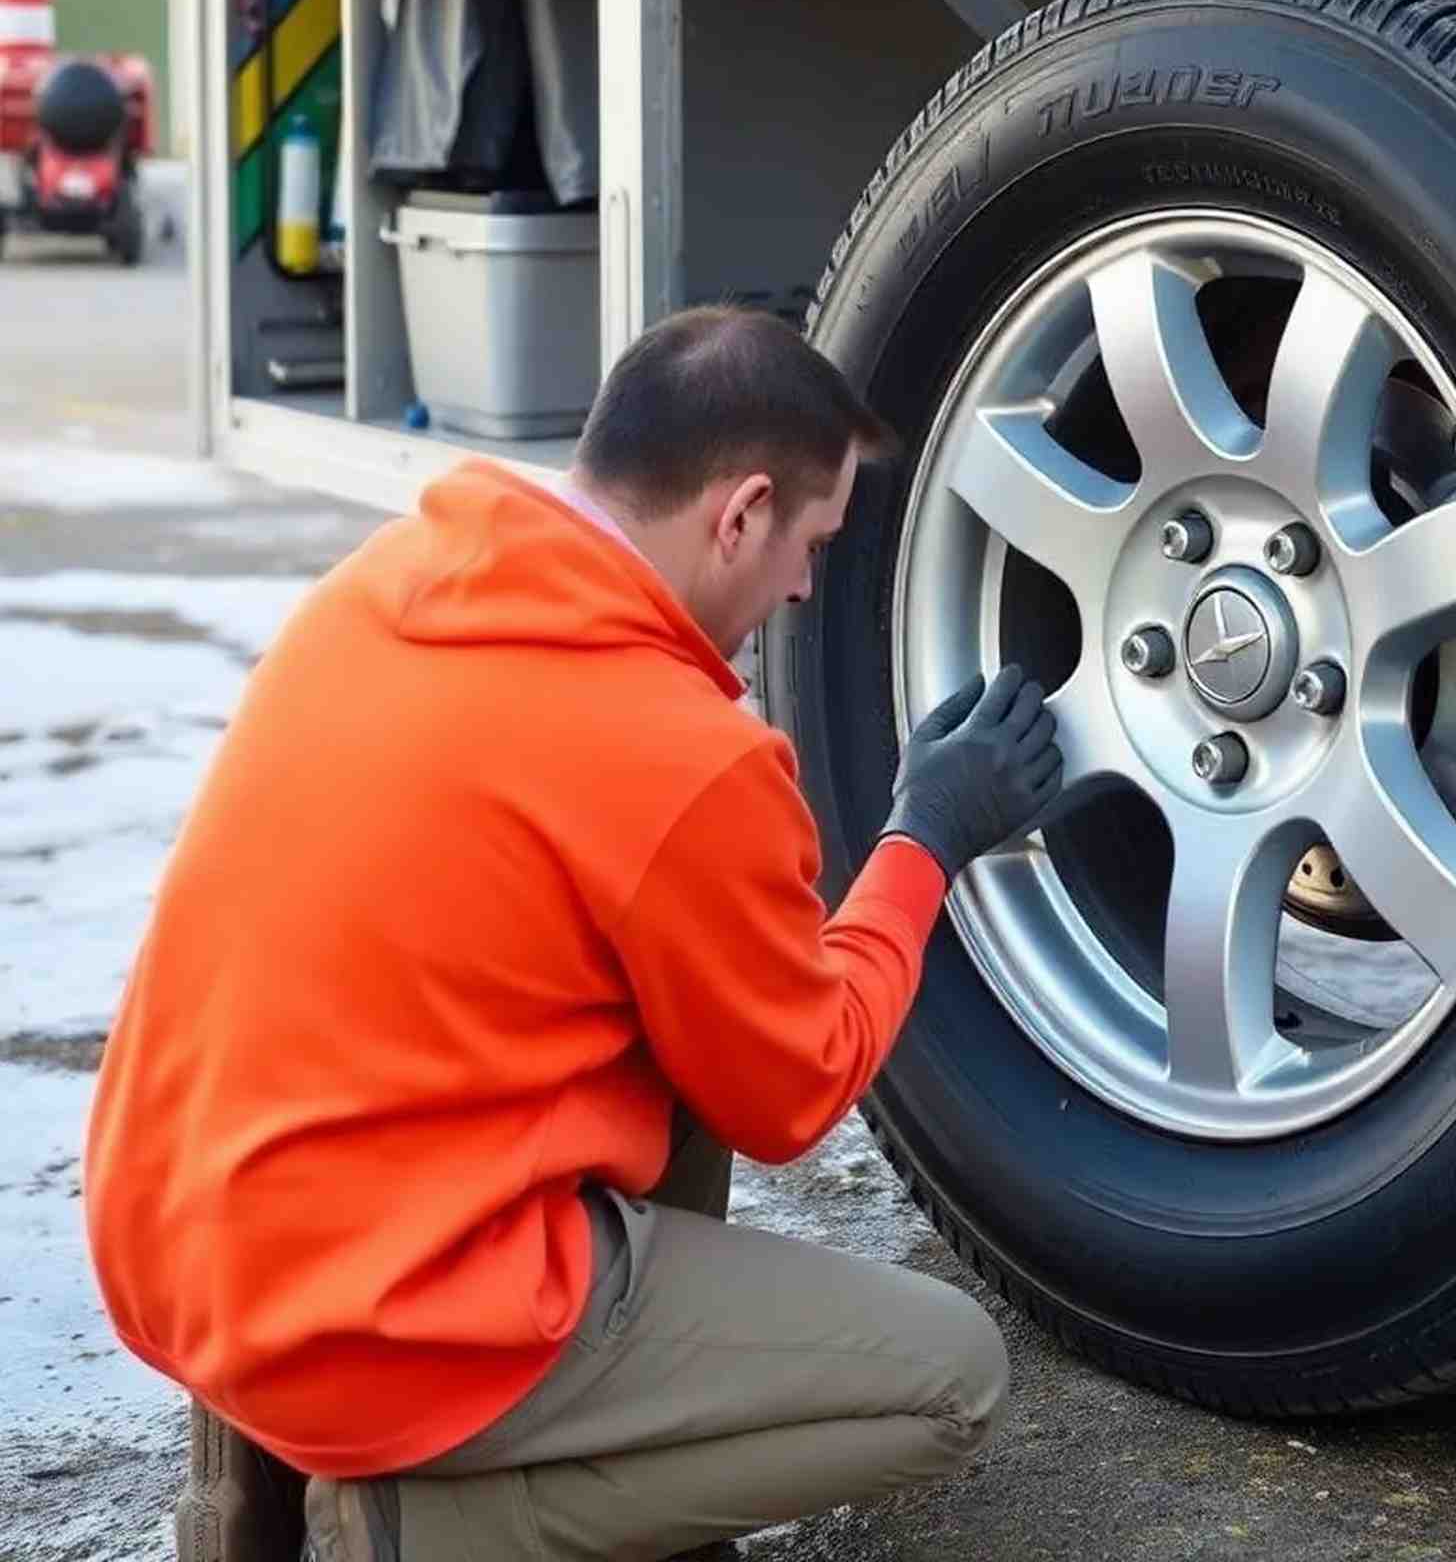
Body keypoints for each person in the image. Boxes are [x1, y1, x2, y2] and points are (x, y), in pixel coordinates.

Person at [84, 307, 1064, 1562]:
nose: (807, 586)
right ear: (742, 514)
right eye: (811, 542)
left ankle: (255, 1484)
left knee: (667, 991)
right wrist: (926, 835)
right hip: (367, 1322)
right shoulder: (679, 758)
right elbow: (795, 1084)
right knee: (950, 1375)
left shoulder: (381, 588)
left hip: (178, 1246)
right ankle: (430, 1521)